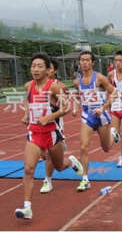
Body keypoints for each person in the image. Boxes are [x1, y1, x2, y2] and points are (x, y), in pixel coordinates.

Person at [15, 53, 83, 220]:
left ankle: (72, 162)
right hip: (34, 133)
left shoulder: (54, 87)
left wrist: (48, 118)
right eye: (33, 66)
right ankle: (27, 208)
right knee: (29, 169)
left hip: (52, 133)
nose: (35, 69)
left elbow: (66, 107)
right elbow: (27, 101)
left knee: (59, 166)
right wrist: (26, 114)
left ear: (47, 70)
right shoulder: (28, 86)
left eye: (39, 66)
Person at [73, 51, 120, 192]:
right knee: (83, 146)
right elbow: (78, 95)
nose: (84, 62)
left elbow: (115, 93)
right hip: (87, 116)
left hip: (102, 116)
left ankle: (113, 134)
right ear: (79, 62)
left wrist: (103, 107)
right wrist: (75, 106)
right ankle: (85, 179)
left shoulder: (99, 78)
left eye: (87, 60)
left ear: (92, 62)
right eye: (82, 60)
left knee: (106, 148)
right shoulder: (77, 82)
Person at [39, 59, 68, 194]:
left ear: (54, 71)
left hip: (55, 126)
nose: (47, 71)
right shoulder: (35, 85)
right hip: (38, 126)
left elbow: (65, 104)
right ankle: (72, 162)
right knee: (51, 160)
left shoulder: (59, 86)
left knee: (49, 156)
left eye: (50, 68)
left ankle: (47, 180)